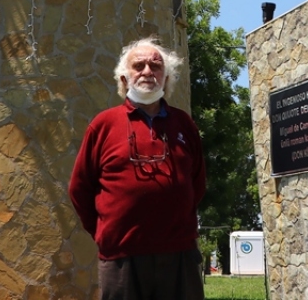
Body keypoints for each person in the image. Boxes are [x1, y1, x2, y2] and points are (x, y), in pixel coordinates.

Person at [69, 38, 207, 300]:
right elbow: (79, 188)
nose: (147, 72)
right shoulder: (103, 125)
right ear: (124, 78)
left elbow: (197, 183)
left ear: (166, 78)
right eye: (139, 65)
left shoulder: (184, 124)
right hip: (122, 257)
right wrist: (104, 231)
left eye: (155, 66)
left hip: (179, 254)